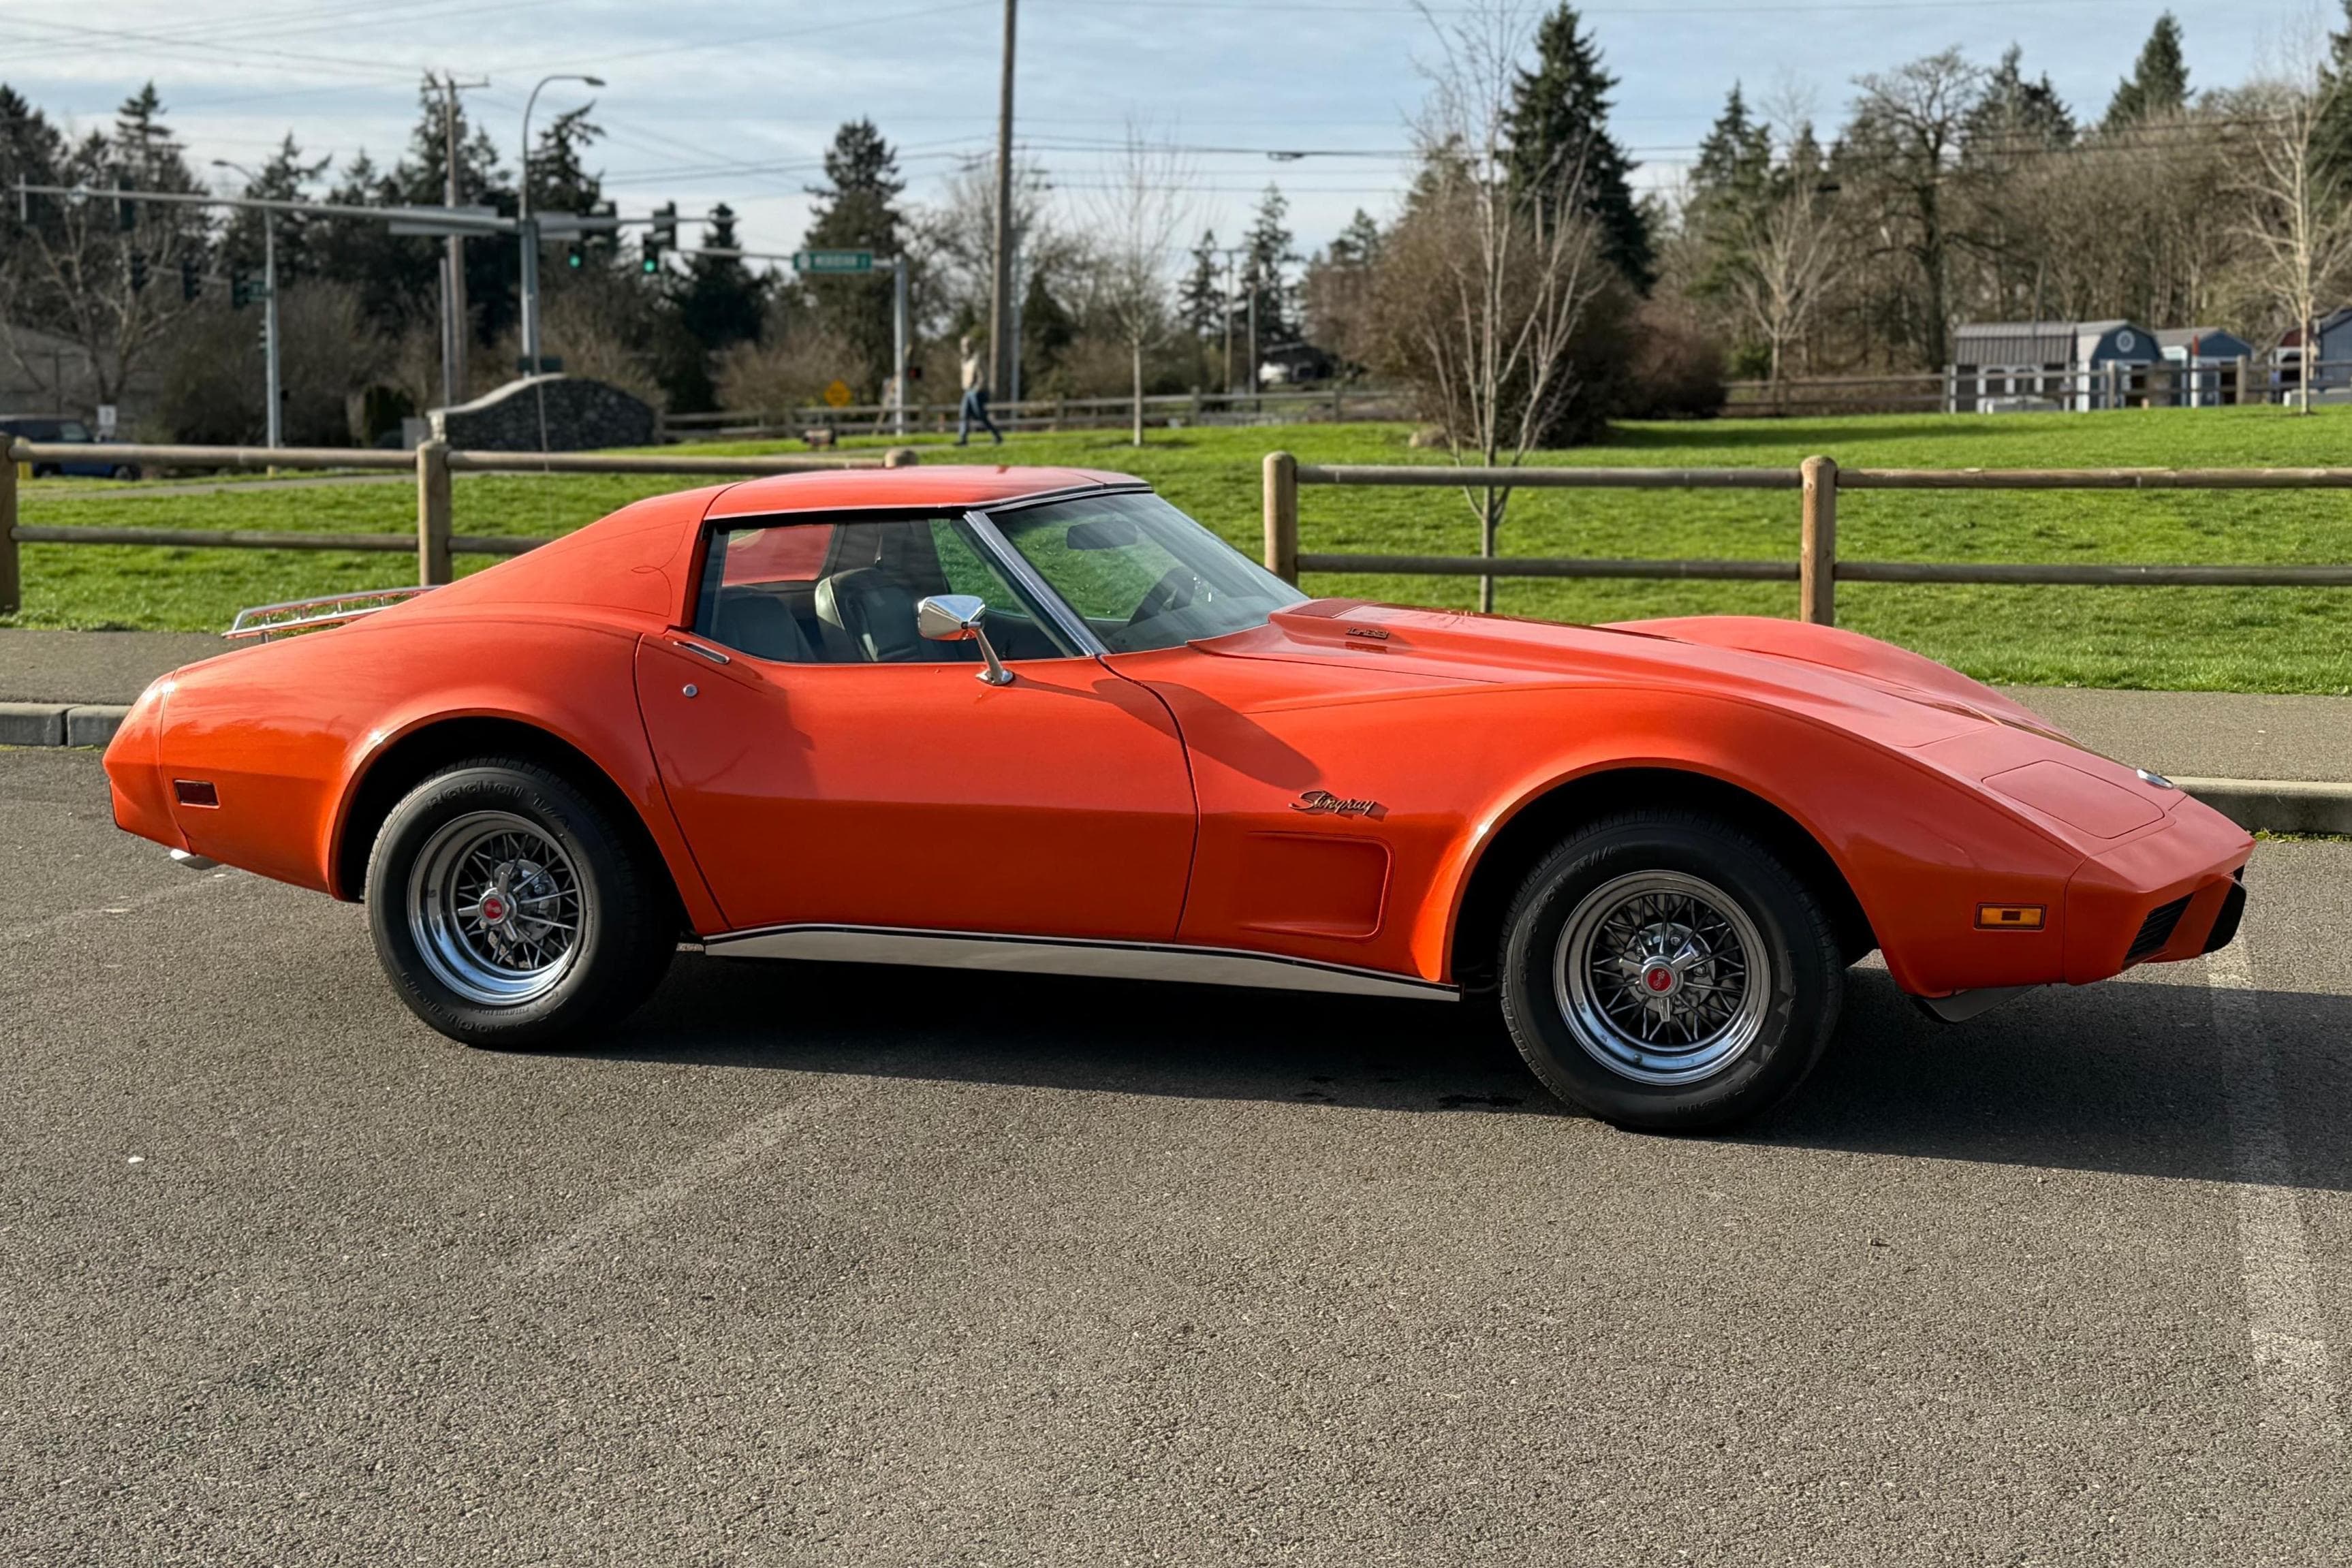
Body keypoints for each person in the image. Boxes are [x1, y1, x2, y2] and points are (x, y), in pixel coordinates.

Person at [956, 334, 1003, 446]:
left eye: (967, 345)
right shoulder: (964, 360)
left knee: (981, 416)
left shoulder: (978, 358)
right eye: (963, 345)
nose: (965, 348)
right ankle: (963, 439)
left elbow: (983, 375)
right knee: (964, 414)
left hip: (977, 391)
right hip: (968, 391)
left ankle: (996, 435)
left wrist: (978, 388)